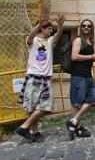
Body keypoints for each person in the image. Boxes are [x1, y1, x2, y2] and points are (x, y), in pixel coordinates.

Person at [16, 14, 65, 142]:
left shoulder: (49, 42)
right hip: (33, 77)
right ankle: (35, 132)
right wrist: (38, 24)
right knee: (32, 107)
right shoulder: (32, 40)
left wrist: (60, 26)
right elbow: (30, 38)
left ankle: (24, 127)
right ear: (42, 29)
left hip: (45, 79)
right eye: (49, 28)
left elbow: (57, 36)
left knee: (46, 106)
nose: (51, 30)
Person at [67, 19, 95, 140]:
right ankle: (76, 129)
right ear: (81, 28)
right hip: (78, 75)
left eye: (88, 26)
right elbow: (74, 56)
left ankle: (74, 121)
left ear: (92, 28)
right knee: (77, 102)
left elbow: (86, 57)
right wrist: (92, 56)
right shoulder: (78, 40)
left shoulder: (90, 42)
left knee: (92, 99)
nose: (86, 27)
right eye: (84, 25)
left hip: (87, 75)